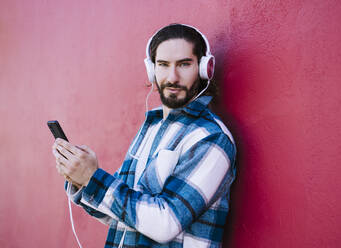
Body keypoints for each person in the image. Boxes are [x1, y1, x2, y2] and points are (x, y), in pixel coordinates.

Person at [52, 23, 236, 248]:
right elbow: (120, 214)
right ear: (152, 70)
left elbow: (166, 222)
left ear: (203, 68)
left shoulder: (211, 138)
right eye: (163, 65)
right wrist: (81, 180)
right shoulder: (151, 128)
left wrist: (93, 178)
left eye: (184, 64)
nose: (172, 76)